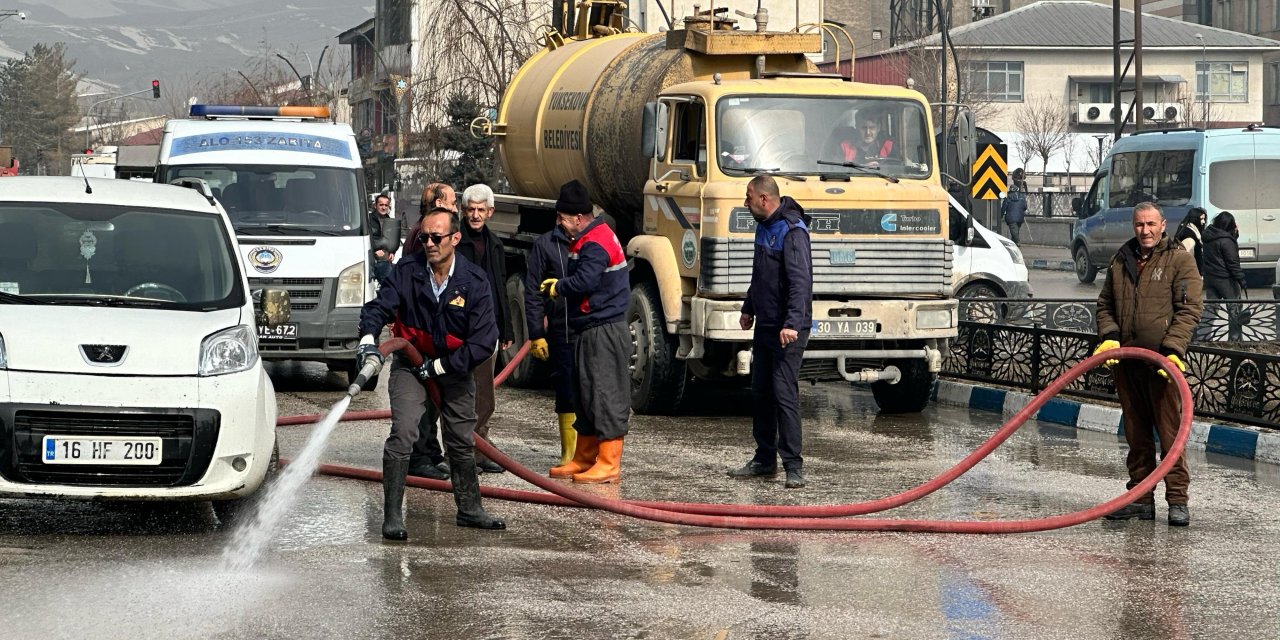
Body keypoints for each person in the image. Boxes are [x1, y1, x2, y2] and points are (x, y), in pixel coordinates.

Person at [357, 206, 506, 539]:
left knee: (460, 439)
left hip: (454, 369)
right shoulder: (407, 272)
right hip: (411, 366)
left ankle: (469, 509)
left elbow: (483, 342)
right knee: (404, 431)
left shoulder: (473, 282)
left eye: (436, 237)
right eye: (423, 236)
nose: (428, 243)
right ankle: (393, 516)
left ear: (454, 238)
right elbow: (379, 307)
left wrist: (440, 366)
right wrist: (369, 338)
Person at [1094, 201, 1203, 527]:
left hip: (1162, 366)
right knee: (1137, 435)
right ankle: (1140, 499)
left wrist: (1173, 350)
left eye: (1151, 224)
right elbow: (1105, 305)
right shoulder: (1120, 260)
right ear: (1134, 226)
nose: (1145, 231)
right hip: (1127, 363)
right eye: (1140, 225)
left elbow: (1189, 310)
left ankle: (1177, 501)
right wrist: (1110, 335)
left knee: (1171, 436)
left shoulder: (1179, 260)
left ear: (1163, 224)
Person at [408, 184, 513, 475]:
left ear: (490, 212)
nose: (476, 215)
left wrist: (505, 329)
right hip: (458, 332)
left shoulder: (494, 243)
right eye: (470, 209)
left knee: (483, 397)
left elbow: (499, 288)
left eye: (482, 210)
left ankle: (479, 451)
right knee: (454, 396)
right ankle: (455, 454)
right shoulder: (451, 241)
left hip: (486, 331)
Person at [541, 180, 631, 484]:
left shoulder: (595, 243)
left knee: (604, 393)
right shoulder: (592, 236)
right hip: (589, 327)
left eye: (563, 219)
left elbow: (585, 283)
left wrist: (558, 287)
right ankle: (585, 456)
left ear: (579, 218)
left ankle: (608, 462)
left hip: (602, 328)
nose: (560, 225)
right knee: (586, 394)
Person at [730, 175, 813, 489]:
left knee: (783, 392)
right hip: (765, 325)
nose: (745, 202)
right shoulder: (764, 226)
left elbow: (800, 282)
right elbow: (759, 273)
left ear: (764, 199)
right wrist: (748, 307)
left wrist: (791, 322)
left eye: (748, 196)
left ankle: (793, 465)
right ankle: (764, 459)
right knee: (761, 391)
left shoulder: (792, 231)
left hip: (788, 329)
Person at [524, 215, 577, 465]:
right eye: (570, 218)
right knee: (565, 390)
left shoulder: (591, 242)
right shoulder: (545, 245)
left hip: (590, 333)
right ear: (558, 219)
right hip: (561, 330)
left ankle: (588, 452)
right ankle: (569, 452)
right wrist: (536, 334)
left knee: (590, 392)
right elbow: (533, 292)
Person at [400, 182, 456, 260]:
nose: (455, 210)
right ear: (439, 203)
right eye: (453, 204)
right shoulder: (424, 234)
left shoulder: (419, 228)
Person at [368, 193, 400, 288]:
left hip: (385, 259)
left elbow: (392, 238)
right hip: (372, 258)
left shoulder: (390, 221)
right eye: (381, 205)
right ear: (375, 205)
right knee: (390, 286)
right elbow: (367, 237)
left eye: (386, 205)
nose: (383, 207)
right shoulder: (369, 219)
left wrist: (392, 252)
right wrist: (375, 250)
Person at [1173, 207, 1207, 273]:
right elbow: (1184, 261)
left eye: (1204, 219)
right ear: (1195, 219)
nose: (1204, 222)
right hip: (1190, 274)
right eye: (1201, 219)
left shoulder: (1188, 231)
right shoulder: (1189, 237)